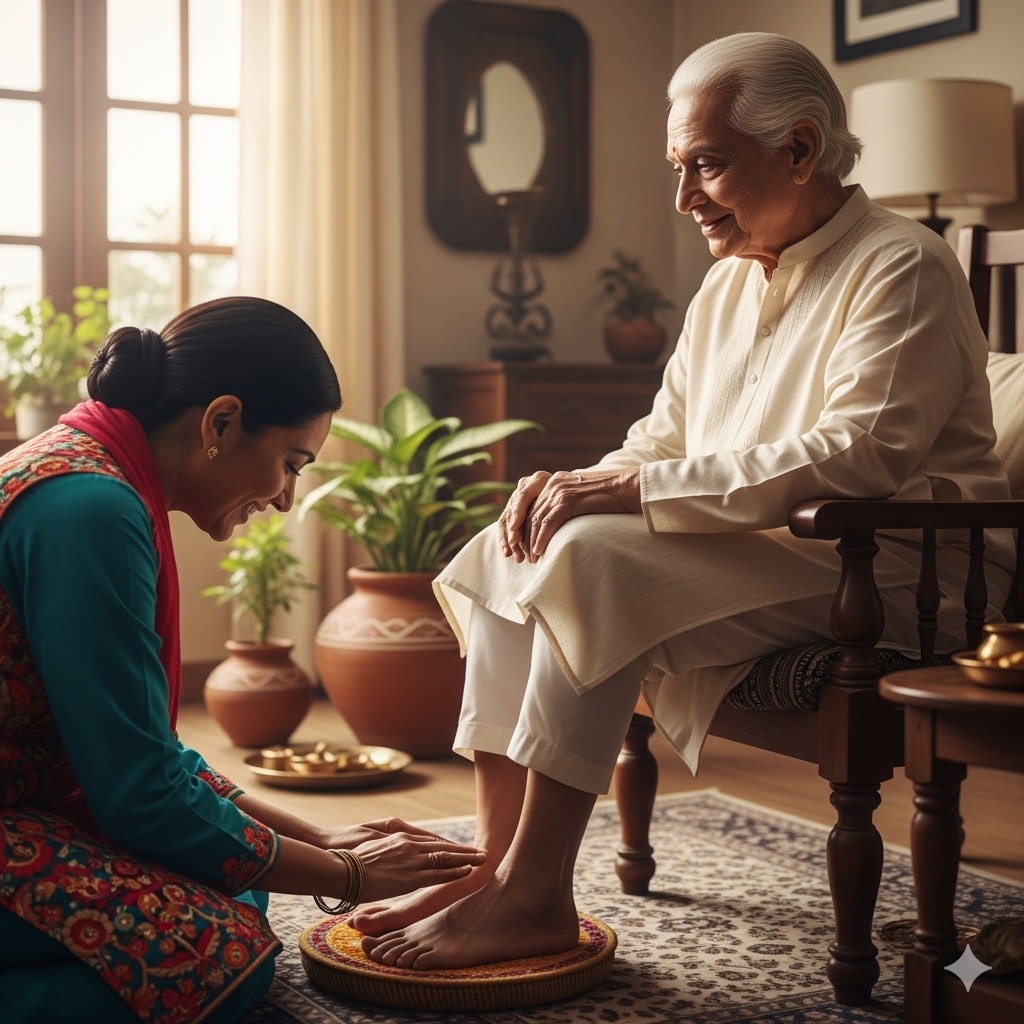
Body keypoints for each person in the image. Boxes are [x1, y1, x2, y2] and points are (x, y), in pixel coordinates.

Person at [353, 32, 1015, 970]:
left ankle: (536, 896)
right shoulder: (725, 284)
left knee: (589, 567)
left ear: (800, 147)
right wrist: (575, 487)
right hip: (770, 550)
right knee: (522, 545)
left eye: (706, 165)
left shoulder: (903, 264)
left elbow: (860, 457)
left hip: (889, 562)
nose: (683, 197)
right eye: (679, 166)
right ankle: (500, 874)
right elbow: (661, 441)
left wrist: (632, 489)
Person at [0, 296, 485, 1024]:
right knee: (222, 962)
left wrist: (321, 837)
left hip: (29, 802)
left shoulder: (94, 475)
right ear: (221, 422)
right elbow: (141, 793)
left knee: (236, 881)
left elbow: (145, 758)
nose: (288, 499)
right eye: (292, 463)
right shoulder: (89, 509)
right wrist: (350, 874)